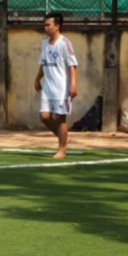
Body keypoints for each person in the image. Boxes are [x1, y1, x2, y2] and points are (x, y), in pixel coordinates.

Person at [35, 12, 78, 159]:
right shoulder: (44, 43)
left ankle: (62, 149)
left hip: (62, 88)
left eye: (48, 25)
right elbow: (43, 63)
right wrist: (37, 79)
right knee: (44, 116)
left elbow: (72, 65)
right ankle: (64, 138)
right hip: (48, 87)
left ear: (57, 26)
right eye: (45, 24)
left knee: (61, 118)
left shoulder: (64, 44)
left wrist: (73, 84)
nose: (45, 27)